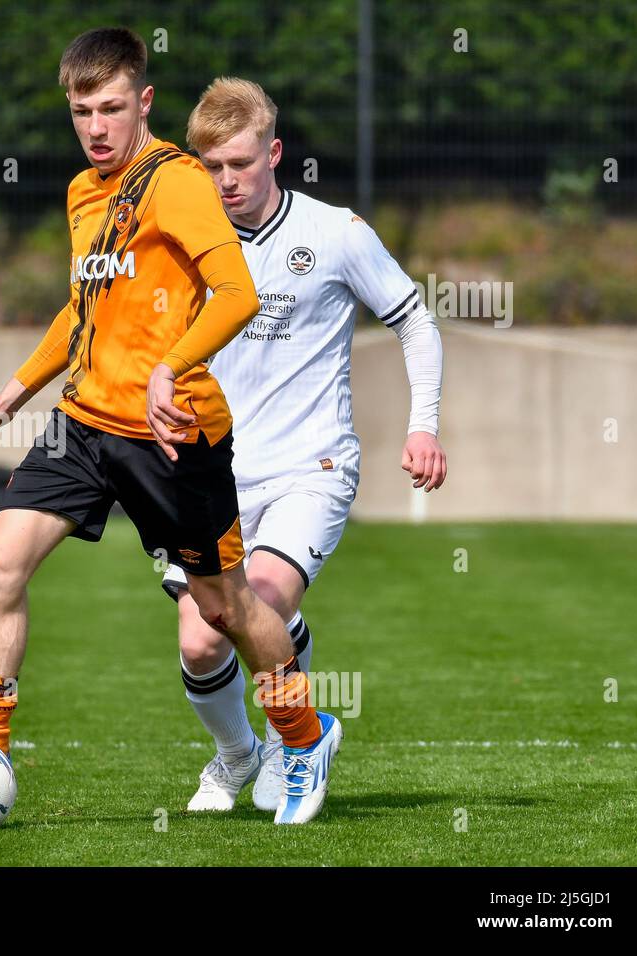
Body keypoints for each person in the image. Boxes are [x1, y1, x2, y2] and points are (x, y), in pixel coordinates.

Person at [0, 31, 341, 826]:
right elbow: (81, 310)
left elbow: (233, 293)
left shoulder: (178, 183)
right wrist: (8, 398)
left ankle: (304, 740)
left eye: (109, 108)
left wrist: (172, 367)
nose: (96, 126)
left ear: (144, 101)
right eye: (79, 111)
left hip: (172, 437)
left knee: (226, 609)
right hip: (82, 425)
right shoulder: (82, 194)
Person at [169, 77, 446, 814]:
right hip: (208, 471)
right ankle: (237, 755)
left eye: (241, 163)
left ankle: (299, 743)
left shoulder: (336, 234)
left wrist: (425, 424)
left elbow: (415, 323)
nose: (227, 180)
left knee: (256, 598)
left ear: (274, 152)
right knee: (201, 642)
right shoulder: (185, 241)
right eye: (212, 166)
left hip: (310, 466)